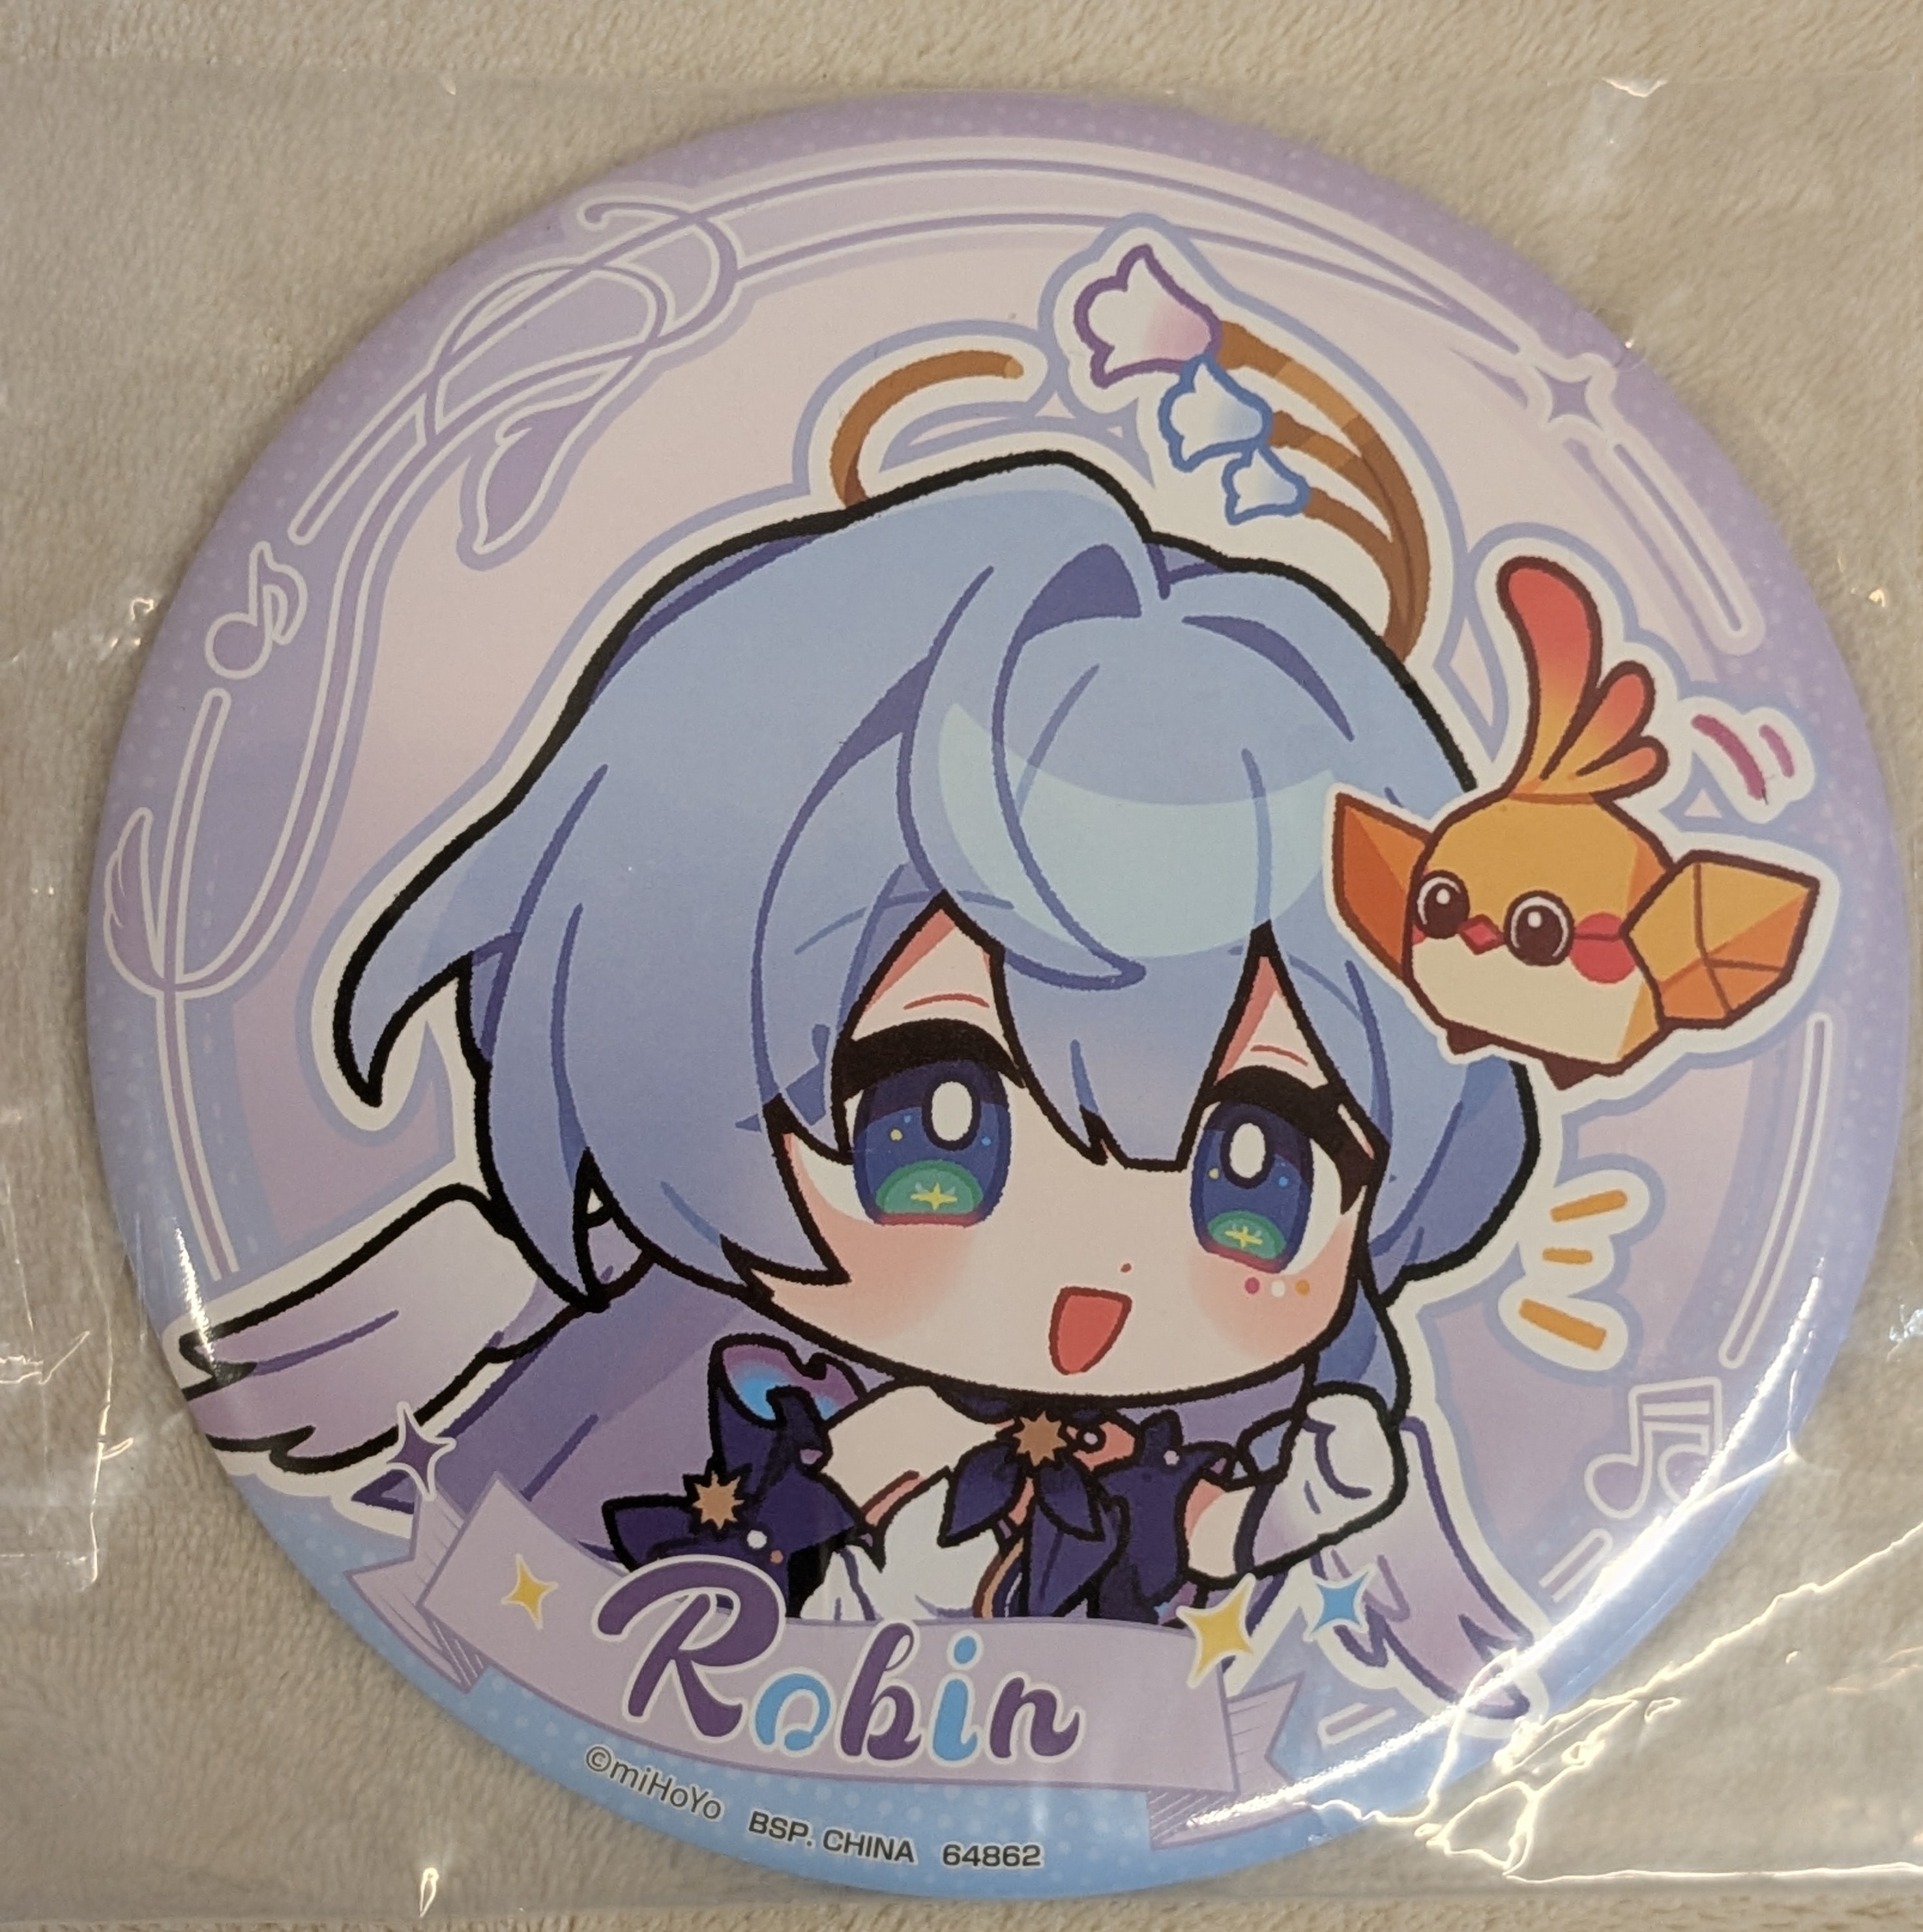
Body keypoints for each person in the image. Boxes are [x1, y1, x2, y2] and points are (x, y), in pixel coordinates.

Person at [333, 452, 1534, 1624]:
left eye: (1252, 1178)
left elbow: (1194, 1547)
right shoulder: (664, 1364)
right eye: (930, 1136)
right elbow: (503, 1575)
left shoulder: (1210, 1420)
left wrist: (1285, 1513)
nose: (1092, 1295)